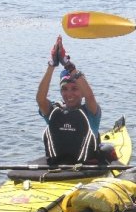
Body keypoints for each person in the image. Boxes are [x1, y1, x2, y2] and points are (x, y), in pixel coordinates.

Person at [36, 35, 102, 165]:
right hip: (55, 169)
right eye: (64, 89)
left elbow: (90, 97)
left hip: (85, 171)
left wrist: (68, 65)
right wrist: (52, 65)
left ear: (82, 91)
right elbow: (40, 99)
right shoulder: (53, 112)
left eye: (74, 88)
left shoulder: (91, 112)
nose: (69, 93)